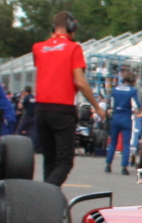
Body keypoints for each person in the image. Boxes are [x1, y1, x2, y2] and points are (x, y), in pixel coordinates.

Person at [29, 11, 101, 186]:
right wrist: (97, 107)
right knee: (64, 161)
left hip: (41, 109)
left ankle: (49, 200)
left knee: (50, 160)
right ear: (71, 27)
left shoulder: (38, 48)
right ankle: (46, 195)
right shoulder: (74, 48)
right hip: (62, 110)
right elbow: (80, 82)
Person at [104, 70, 140, 174]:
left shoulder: (115, 89)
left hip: (115, 117)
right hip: (126, 118)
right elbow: (137, 105)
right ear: (132, 81)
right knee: (126, 144)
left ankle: (108, 165)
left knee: (113, 143)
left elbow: (110, 105)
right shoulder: (132, 91)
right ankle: (124, 167)